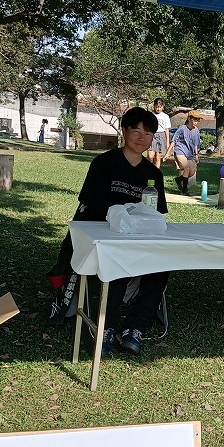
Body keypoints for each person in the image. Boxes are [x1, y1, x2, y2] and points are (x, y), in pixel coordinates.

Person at [45, 106, 169, 357]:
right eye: (136, 131)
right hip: (102, 236)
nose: (142, 138)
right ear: (124, 131)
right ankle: (106, 327)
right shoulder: (103, 163)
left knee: (162, 265)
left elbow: (156, 215)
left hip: (137, 237)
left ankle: (135, 328)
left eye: (148, 133)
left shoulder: (153, 174)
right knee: (119, 265)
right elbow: (90, 204)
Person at [171, 110, 203, 195]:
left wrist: (196, 155)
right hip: (180, 151)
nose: (196, 122)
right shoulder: (182, 128)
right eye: (195, 119)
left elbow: (195, 144)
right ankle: (184, 190)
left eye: (198, 120)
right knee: (186, 168)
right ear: (189, 118)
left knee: (192, 171)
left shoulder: (196, 131)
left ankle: (179, 180)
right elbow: (173, 140)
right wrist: (168, 153)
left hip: (189, 154)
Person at [146, 97, 173, 168]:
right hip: (152, 135)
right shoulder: (150, 115)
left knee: (157, 157)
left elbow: (167, 129)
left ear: (162, 107)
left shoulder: (165, 116)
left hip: (161, 136)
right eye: (156, 107)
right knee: (150, 156)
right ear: (154, 106)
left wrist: (167, 142)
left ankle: (155, 172)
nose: (158, 109)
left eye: (160, 107)